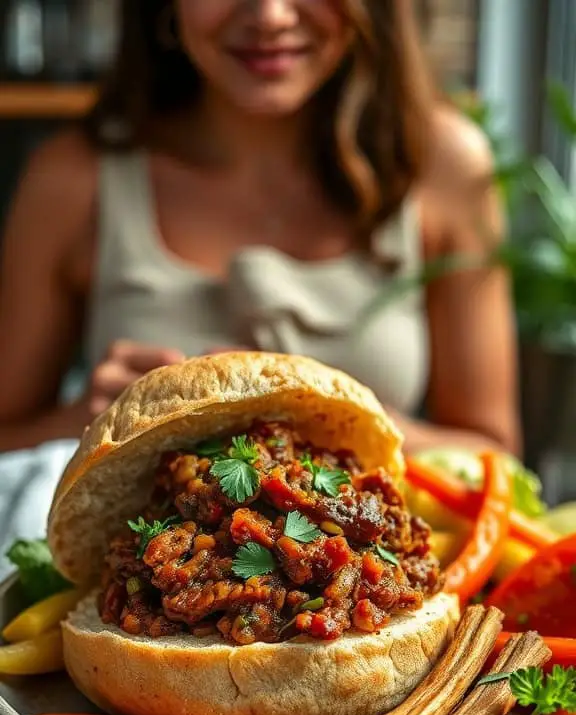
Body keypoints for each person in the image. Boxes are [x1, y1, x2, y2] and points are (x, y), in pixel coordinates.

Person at [0, 0, 521, 456]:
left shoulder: (446, 166)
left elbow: (495, 455)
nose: (269, 16)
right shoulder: (72, 179)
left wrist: (317, 410)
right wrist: (82, 424)